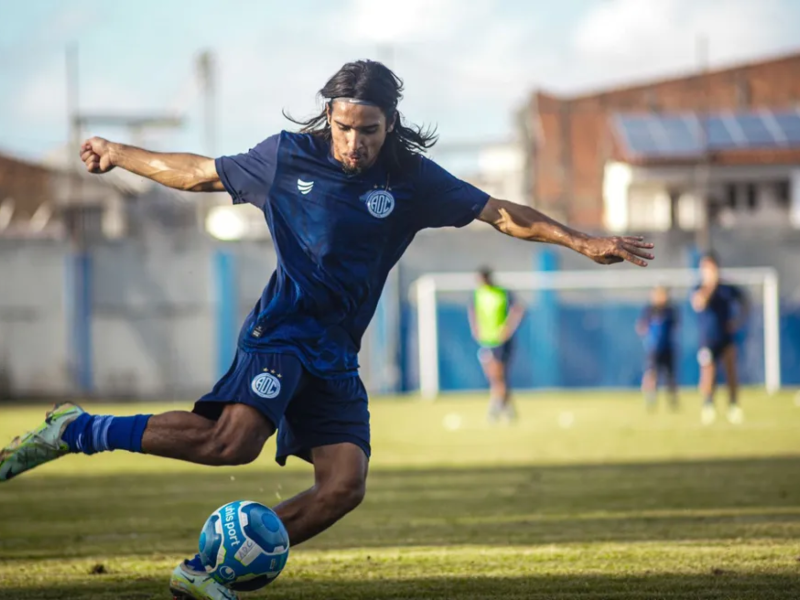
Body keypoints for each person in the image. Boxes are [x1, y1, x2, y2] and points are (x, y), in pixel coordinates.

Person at [0, 60, 654, 600]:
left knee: (344, 485)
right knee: (233, 445)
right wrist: (118, 153)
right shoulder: (286, 159)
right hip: (282, 333)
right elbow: (199, 172)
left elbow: (500, 213)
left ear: (388, 124)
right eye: (343, 128)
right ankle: (77, 430)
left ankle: (209, 572)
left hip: (336, 352)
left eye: (367, 130)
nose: (352, 142)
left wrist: (581, 240)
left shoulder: (412, 179)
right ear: (329, 119)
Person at [691, 252, 749, 425]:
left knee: (731, 371)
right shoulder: (699, 288)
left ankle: (733, 405)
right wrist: (710, 285)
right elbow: (698, 303)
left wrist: (738, 320)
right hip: (708, 338)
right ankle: (708, 405)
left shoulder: (727, 288)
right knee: (709, 372)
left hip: (726, 336)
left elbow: (744, 302)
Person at [469, 268, 524, 422]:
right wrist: (475, 328)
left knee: (498, 375)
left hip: (501, 341)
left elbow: (518, 309)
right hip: (486, 340)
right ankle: (508, 408)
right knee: (495, 376)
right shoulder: (478, 294)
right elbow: (472, 310)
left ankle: (495, 408)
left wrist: (508, 328)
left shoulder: (502, 293)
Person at [636, 285, 679, 411]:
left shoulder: (670, 310)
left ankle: (673, 401)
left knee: (670, 376)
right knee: (651, 374)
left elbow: (675, 327)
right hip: (653, 350)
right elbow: (641, 326)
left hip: (667, 348)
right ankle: (651, 399)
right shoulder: (649, 310)